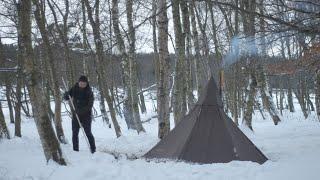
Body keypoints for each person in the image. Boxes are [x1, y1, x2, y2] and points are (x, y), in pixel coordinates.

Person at [64, 75, 96, 153]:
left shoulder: (89, 92)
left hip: (86, 115)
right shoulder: (74, 88)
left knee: (88, 132)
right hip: (76, 115)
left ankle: (93, 149)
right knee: (75, 133)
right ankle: (75, 150)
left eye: (84, 83)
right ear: (78, 82)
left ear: (86, 84)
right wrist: (66, 94)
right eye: (81, 83)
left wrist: (80, 111)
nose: (82, 85)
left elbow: (90, 105)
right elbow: (67, 97)